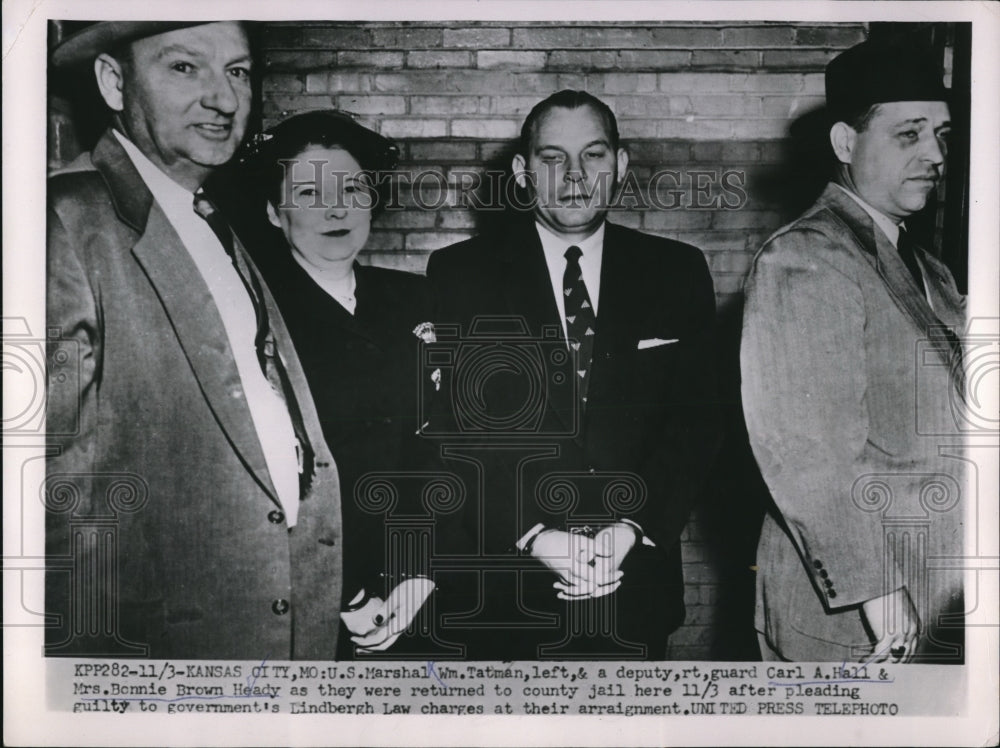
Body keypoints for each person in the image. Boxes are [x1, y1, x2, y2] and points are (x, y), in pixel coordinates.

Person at [45, 22, 344, 659]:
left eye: (237, 71)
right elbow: (41, 488)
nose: (225, 99)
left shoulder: (207, 217)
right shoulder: (64, 223)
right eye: (186, 68)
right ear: (113, 82)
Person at [427, 90, 721, 660]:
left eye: (593, 155)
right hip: (506, 589)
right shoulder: (460, 274)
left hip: (634, 584)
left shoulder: (677, 271)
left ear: (621, 165)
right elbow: (455, 430)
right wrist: (535, 535)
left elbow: (696, 423)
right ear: (521, 171)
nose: (574, 176)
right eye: (551, 158)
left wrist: (631, 529)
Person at [741, 38, 966, 663]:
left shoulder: (926, 268)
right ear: (845, 144)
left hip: (932, 589)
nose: (934, 154)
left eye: (941, 134)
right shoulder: (808, 257)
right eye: (908, 134)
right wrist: (876, 590)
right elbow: (805, 445)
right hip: (859, 618)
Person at [241, 111, 442, 657]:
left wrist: (420, 572)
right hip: (310, 597)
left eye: (352, 188)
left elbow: (443, 449)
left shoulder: (417, 301)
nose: (336, 208)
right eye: (308, 192)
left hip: (423, 588)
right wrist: (348, 596)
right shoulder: (253, 316)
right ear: (273, 212)